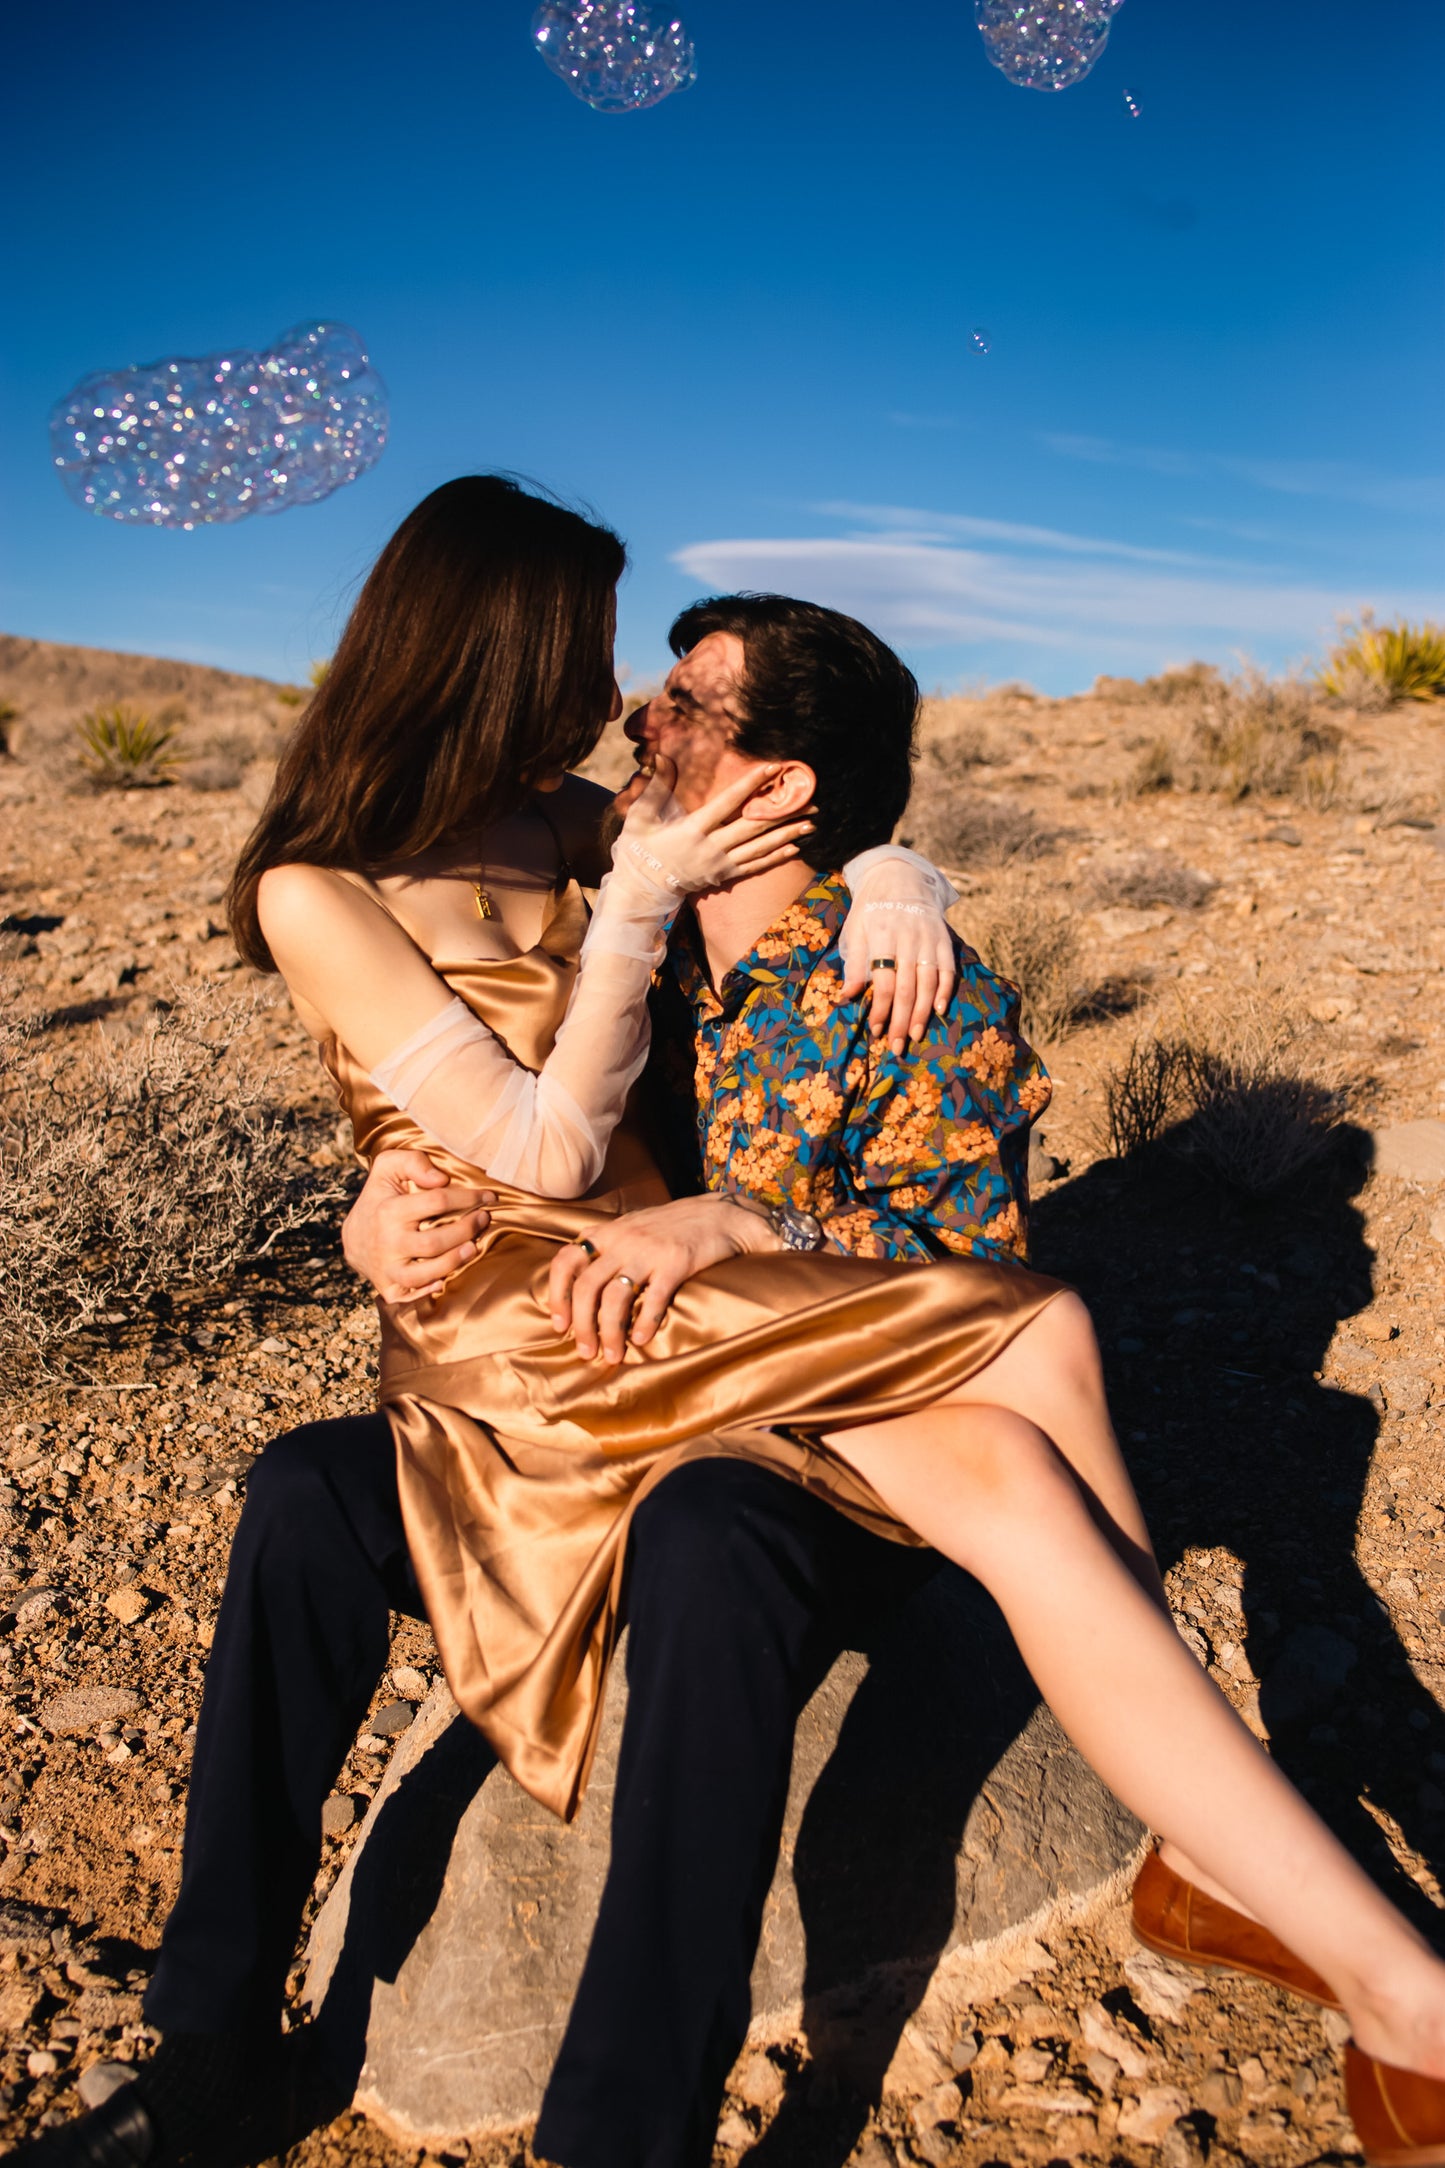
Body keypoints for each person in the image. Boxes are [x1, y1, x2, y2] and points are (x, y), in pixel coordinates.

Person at [348, 591, 1445, 2168]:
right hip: (616, 1381)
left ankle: (1368, 1972)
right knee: (1034, 1382)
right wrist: (372, 1209)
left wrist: (755, 1198)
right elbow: (467, 1103)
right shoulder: (619, 948)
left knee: (1011, 1403)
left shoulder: (912, 985)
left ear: (782, 782)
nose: (633, 726)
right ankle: (1278, 1896)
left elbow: (965, 1265)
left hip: (850, 1403)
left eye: (683, 707)